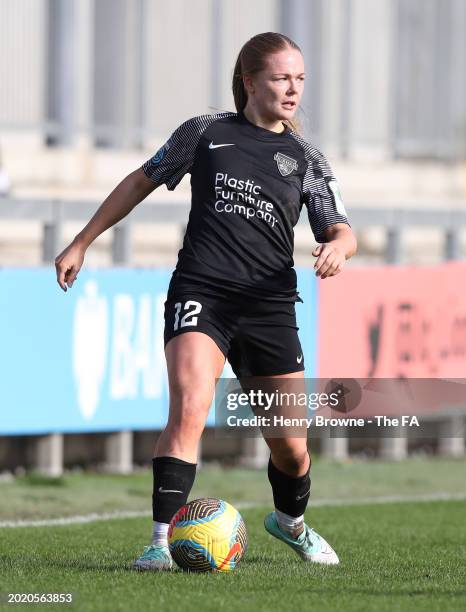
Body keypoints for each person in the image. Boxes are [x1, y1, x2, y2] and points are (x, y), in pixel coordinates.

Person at [55, 31, 357, 571]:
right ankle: (158, 543)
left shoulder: (305, 156)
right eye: (282, 78)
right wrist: (82, 241)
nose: (293, 90)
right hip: (202, 291)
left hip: (269, 307)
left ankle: (290, 523)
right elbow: (139, 181)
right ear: (249, 81)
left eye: (300, 80)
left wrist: (337, 246)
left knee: (291, 447)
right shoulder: (205, 132)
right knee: (191, 407)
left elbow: (341, 228)